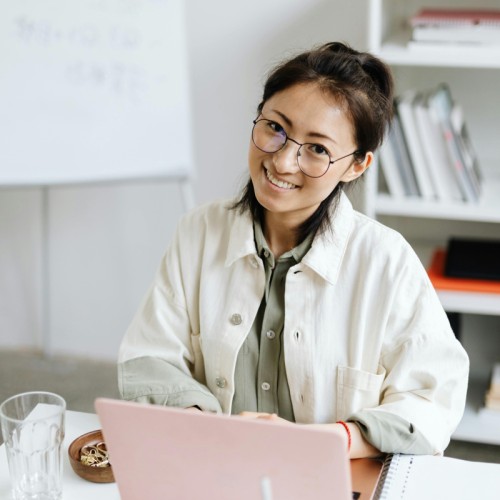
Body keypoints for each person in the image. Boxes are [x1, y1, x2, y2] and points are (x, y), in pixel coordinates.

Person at [117, 42, 469, 458]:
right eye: (275, 128)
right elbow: (149, 359)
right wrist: (203, 427)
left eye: (318, 149)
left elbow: (432, 401)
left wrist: (326, 441)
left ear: (357, 165)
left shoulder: (386, 262)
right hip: (213, 466)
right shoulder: (198, 232)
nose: (283, 162)